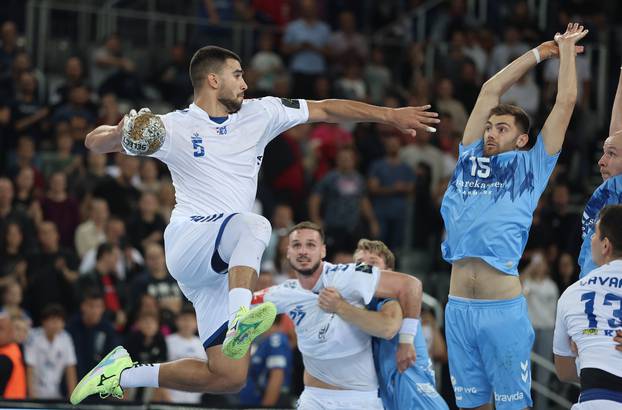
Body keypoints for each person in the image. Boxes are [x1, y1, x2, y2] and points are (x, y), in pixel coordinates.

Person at [70, 45, 439, 405]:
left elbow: (326, 109)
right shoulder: (174, 126)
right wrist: (120, 133)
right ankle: (240, 317)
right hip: (190, 239)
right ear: (213, 80)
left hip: (218, 272)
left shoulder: (262, 112)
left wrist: (389, 115)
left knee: (229, 376)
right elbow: (93, 143)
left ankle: (121, 373)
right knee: (256, 225)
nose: (245, 83)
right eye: (237, 74)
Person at [440, 23, 587, 410]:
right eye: (489, 126)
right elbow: (490, 89)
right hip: (457, 306)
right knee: (471, 406)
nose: (490, 132)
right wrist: (537, 53)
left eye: (501, 128)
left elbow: (566, 102)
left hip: (501, 310)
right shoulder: (469, 154)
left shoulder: (531, 166)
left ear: (522, 139)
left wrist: (566, 52)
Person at [253, 221, 423, 410]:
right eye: (296, 245)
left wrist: (407, 340)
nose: (303, 251)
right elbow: (245, 302)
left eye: (311, 245)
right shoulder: (285, 291)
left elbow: (411, 285)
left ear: (323, 251)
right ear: (288, 252)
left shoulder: (351, 273)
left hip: (359, 398)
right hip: (313, 398)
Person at [319, 238, 448, 410]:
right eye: (359, 263)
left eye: (373, 263)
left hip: (417, 402)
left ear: (389, 273)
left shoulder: (392, 300)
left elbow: (387, 328)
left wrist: (339, 306)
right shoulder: (364, 309)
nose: (364, 269)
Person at [553, 204, 622, 409]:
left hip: (595, 399)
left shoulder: (572, 294)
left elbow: (564, 372)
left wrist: (587, 356)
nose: (590, 239)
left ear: (605, 245)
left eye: (595, 234)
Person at [577, 66, 622, 277]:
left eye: (611, 154)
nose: (601, 162)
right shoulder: (610, 189)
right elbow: (617, 133)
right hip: (589, 284)